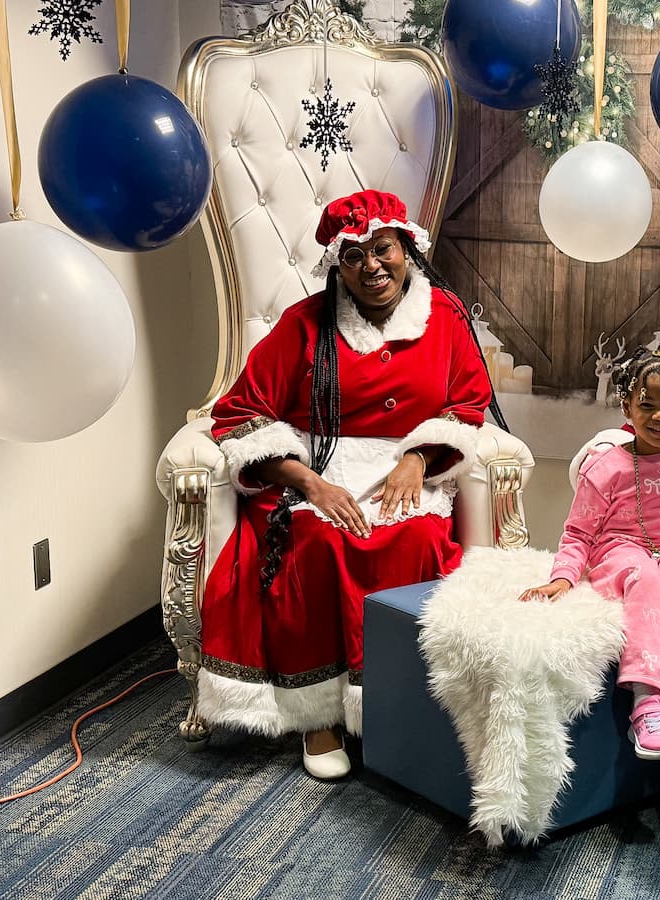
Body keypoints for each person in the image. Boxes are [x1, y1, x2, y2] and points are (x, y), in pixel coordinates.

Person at [196, 189, 495, 780]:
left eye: (381, 249)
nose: (371, 267)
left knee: (413, 544)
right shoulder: (303, 325)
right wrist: (308, 483)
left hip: (411, 465)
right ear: (338, 265)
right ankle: (319, 717)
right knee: (316, 542)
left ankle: (398, 706)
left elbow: (468, 402)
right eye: (353, 257)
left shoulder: (447, 318)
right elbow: (238, 414)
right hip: (319, 464)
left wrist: (417, 459)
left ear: (406, 247)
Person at [521, 344, 660, 775]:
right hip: (620, 550)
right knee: (645, 583)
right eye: (647, 405)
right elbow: (577, 532)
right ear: (627, 405)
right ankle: (647, 703)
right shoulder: (608, 467)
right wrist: (563, 577)